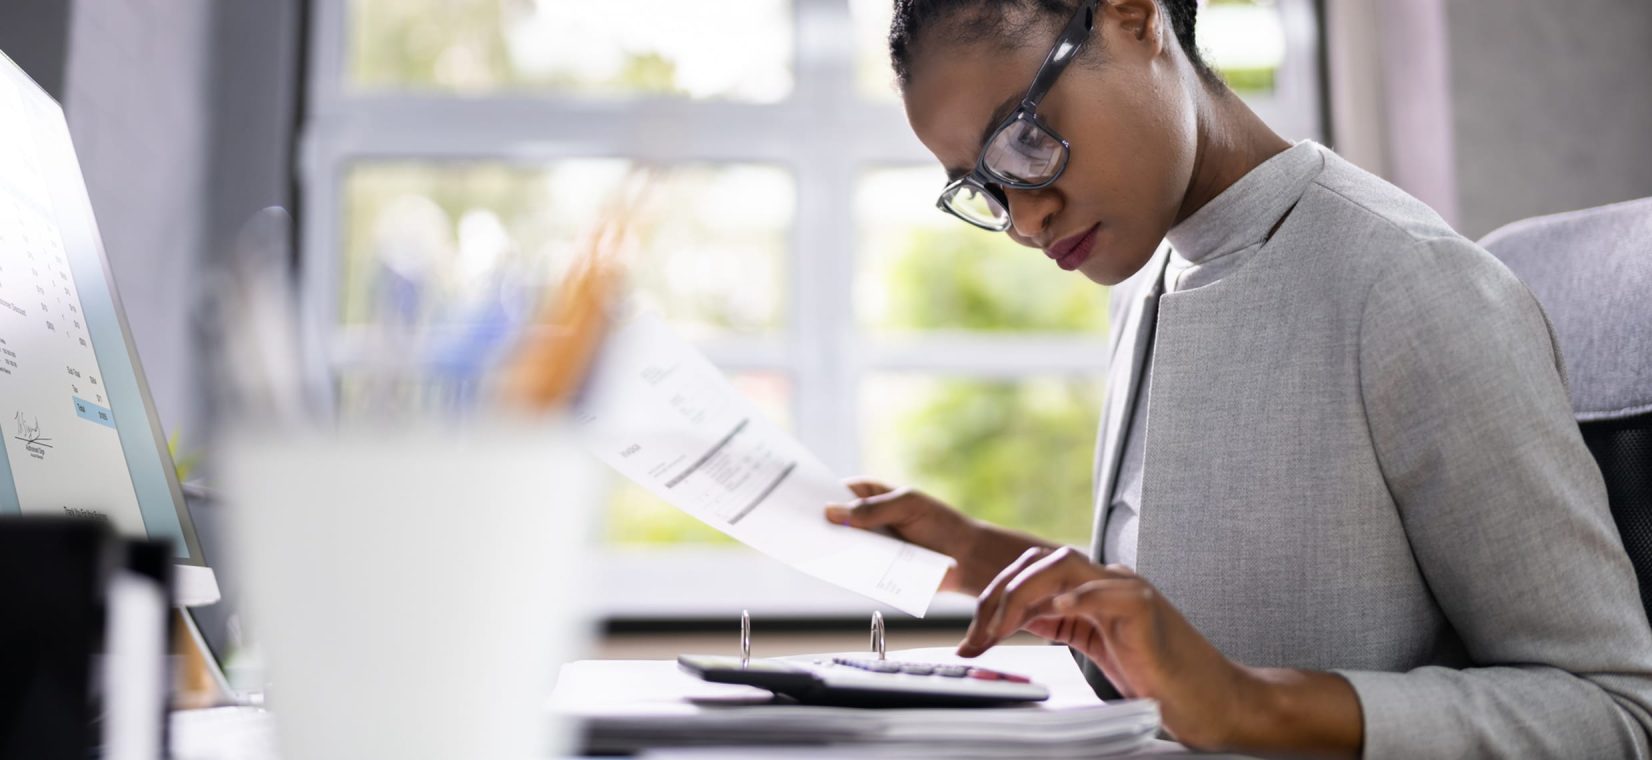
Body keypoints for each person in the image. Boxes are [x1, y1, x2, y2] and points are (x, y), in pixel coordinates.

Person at [823, 0, 1652, 756]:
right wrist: (979, 553)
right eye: (985, 188)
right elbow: (1204, 609)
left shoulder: (1410, 286)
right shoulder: (1148, 273)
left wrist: (1255, 707)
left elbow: (1612, 709)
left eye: (1026, 140)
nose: (1026, 221)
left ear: (1133, 18)